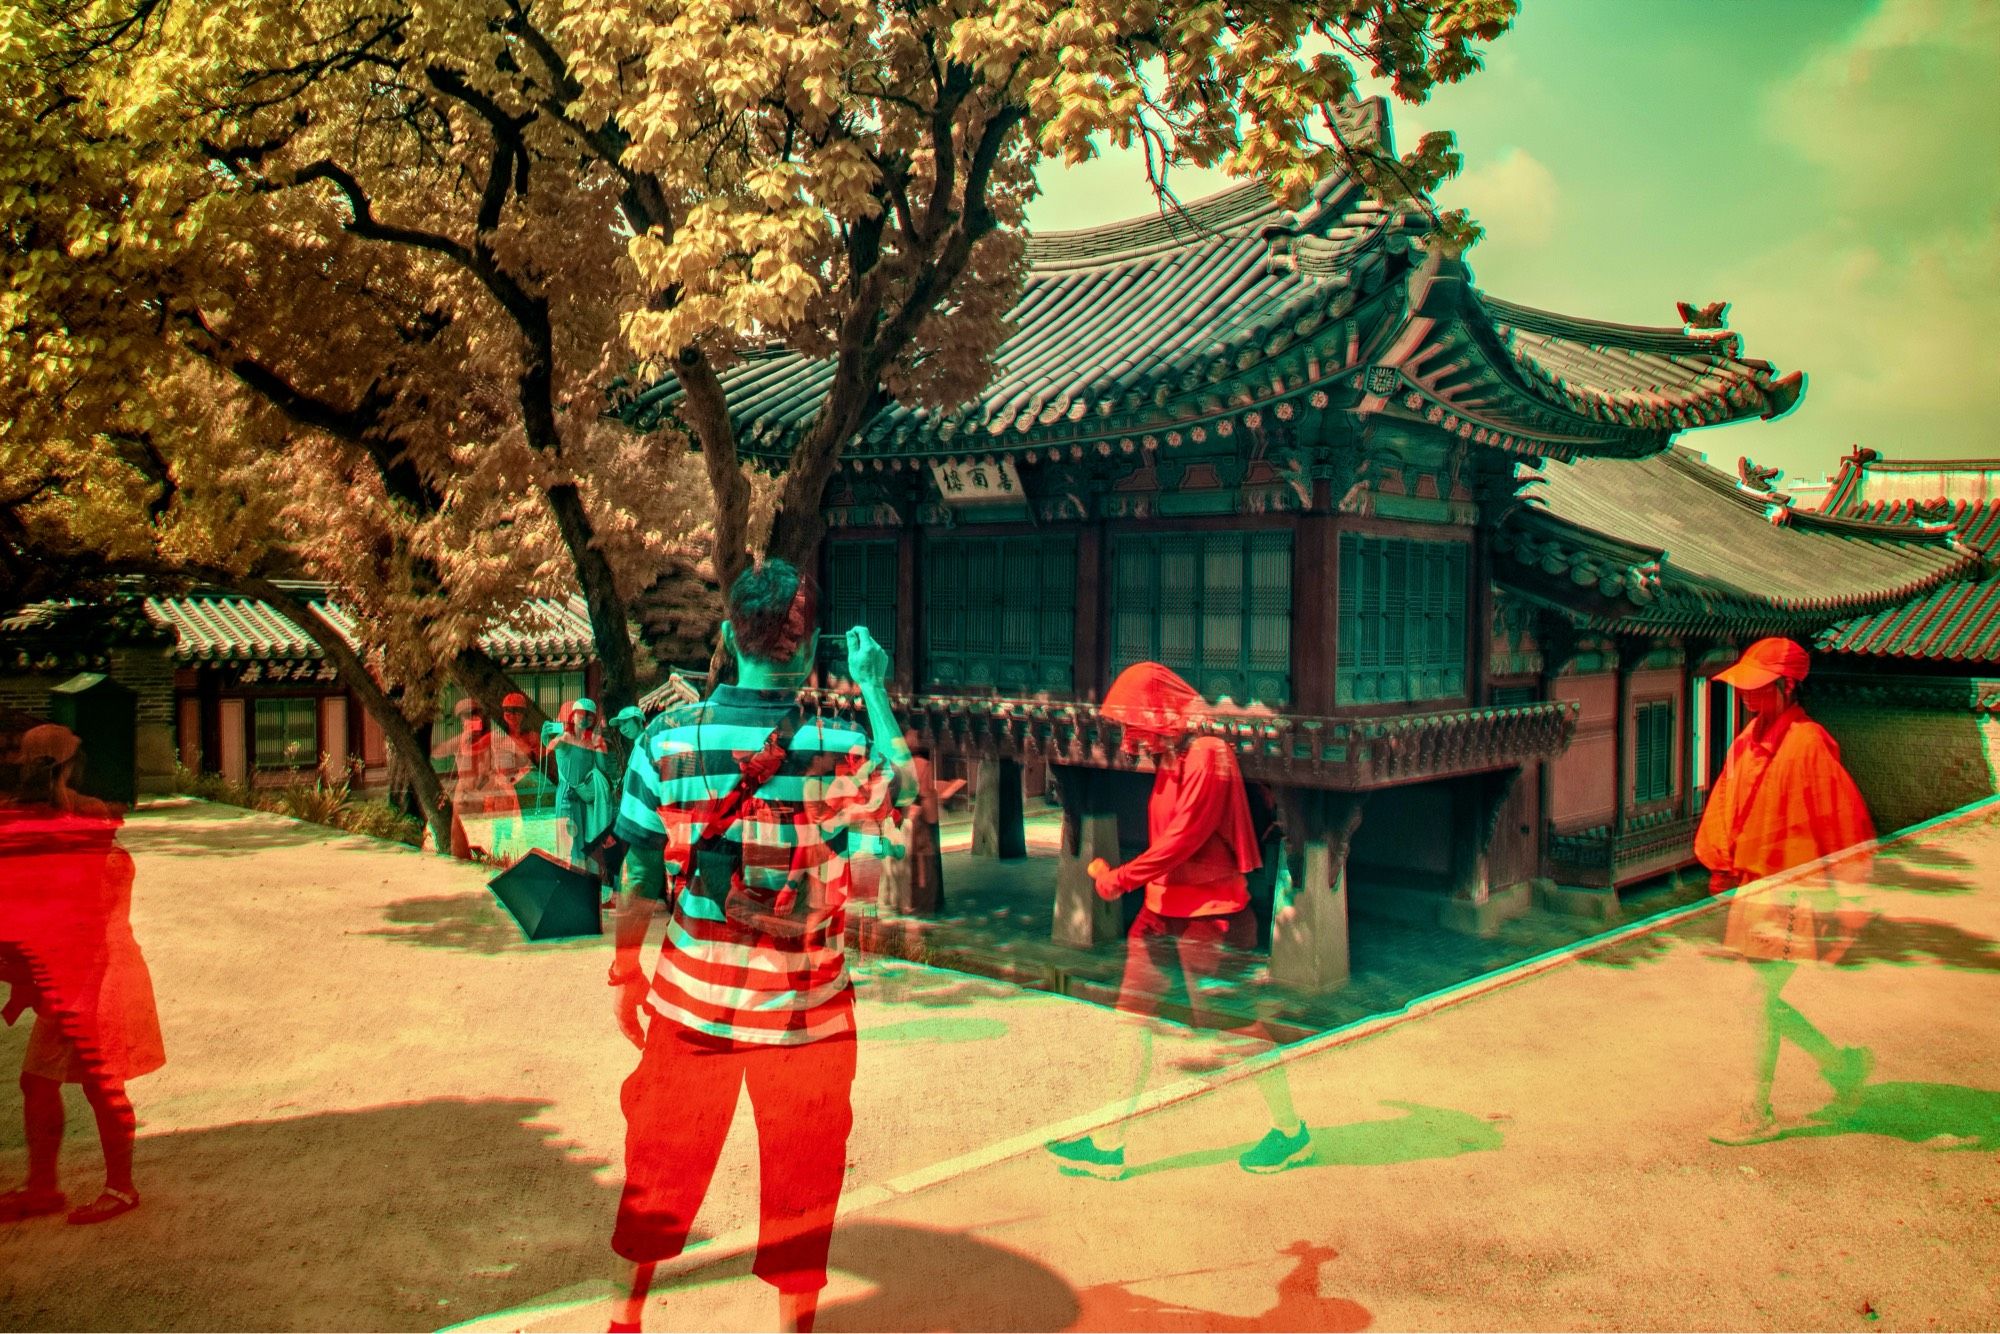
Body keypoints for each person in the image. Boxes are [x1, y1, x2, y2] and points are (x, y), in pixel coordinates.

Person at [605, 559, 912, 1334]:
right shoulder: (838, 746)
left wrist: (625, 968)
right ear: (812, 652)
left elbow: (638, 870)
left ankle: (626, 1318)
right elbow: (902, 792)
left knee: (659, 1164)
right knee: (804, 1179)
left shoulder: (665, 742)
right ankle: (792, 1327)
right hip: (804, 1015)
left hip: (691, 1005)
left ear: (726, 637)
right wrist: (873, 684)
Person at [1044, 662, 1309, 1180]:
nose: (1128, 739)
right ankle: (1109, 1146)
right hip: (1160, 916)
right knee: (1132, 1024)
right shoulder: (1171, 753)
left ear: (1159, 712)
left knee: (1237, 1031)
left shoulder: (1209, 755)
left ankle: (1291, 1131)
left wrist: (1120, 879)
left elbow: (1181, 840)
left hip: (1211, 919)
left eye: (1132, 724)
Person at [1694, 637, 1876, 1145]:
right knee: (1756, 998)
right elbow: (1729, 806)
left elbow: (1844, 822)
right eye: (1745, 687)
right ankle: (1839, 1065)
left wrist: (1852, 899)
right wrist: (1723, 867)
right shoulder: (1750, 739)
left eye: (1759, 687)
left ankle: (1758, 1110)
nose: (1748, 697)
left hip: (1794, 890)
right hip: (1756, 888)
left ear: (1788, 685)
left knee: (1756, 995)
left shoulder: (1809, 743)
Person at [0, 724, 163, 1225]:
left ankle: (122, 1188)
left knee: (101, 1081)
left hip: (104, 968)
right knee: (37, 1081)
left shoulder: (88, 821)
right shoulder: (52, 820)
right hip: (68, 967)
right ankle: (44, 1186)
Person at [551, 697, 613, 872]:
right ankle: (570, 882)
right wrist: (552, 734)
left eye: (590, 716)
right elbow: (554, 744)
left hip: (585, 797)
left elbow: (601, 769)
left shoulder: (591, 742)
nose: (585, 719)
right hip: (568, 796)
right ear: (572, 717)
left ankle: (585, 881)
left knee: (586, 845)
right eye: (581, 715)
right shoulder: (566, 738)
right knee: (569, 847)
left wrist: (600, 745)